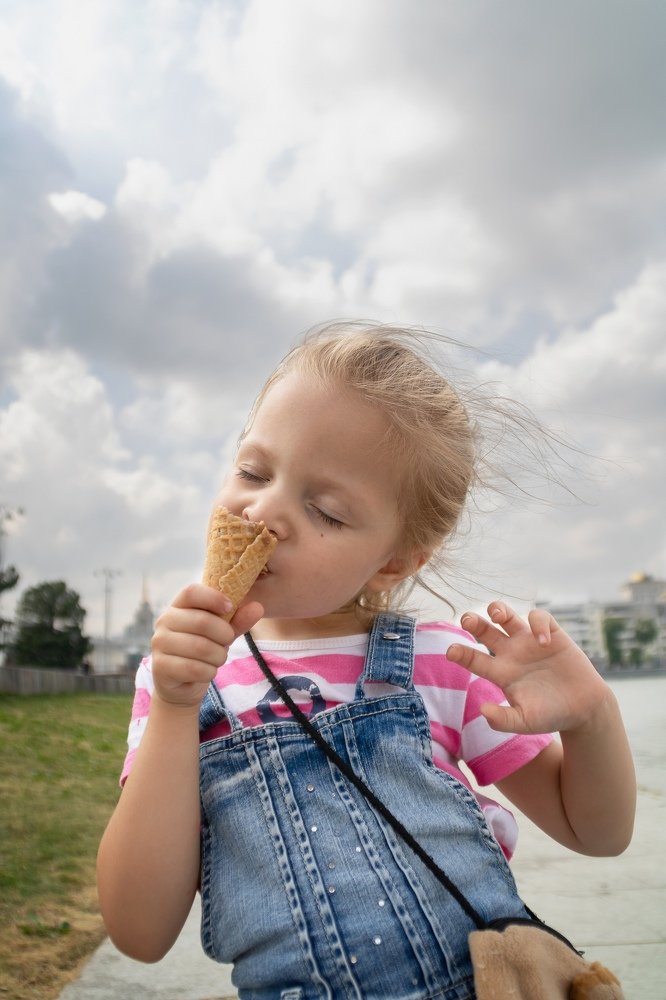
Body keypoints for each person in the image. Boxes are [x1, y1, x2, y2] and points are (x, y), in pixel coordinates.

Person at [97, 322, 636, 1000]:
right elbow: (138, 932)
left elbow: (597, 831)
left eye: (324, 509)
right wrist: (176, 708)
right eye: (252, 470)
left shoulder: (443, 662)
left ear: (394, 560)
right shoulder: (180, 682)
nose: (263, 513)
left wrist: (592, 718)